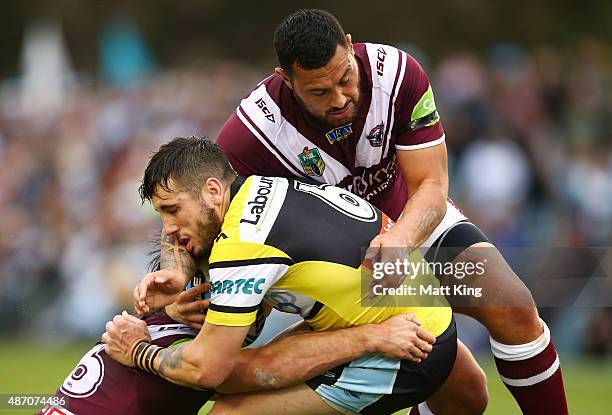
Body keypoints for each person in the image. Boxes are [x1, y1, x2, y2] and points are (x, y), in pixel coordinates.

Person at [214, 9, 568, 414]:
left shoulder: (397, 73)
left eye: (344, 78)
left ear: (349, 45)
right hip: (346, 264)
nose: (340, 98)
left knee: (512, 304)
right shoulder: (253, 131)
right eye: (318, 92)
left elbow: (432, 187)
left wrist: (401, 239)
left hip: (413, 221)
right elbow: (206, 208)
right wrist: (177, 268)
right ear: (285, 79)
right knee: (466, 395)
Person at [104, 137, 458, 415]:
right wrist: (177, 274)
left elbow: (209, 369)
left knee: (229, 405)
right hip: (418, 314)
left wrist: (137, 351)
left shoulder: (242, 243)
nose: (168, 227)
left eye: (172, 210)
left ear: (212, 190)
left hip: (411, 346)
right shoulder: (261, 189)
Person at [39, 238, 431, 415]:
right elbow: (276, 365)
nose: (255, 317)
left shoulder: (152, 320)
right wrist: (373, 335)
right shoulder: (196, 356)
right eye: (252, 306)